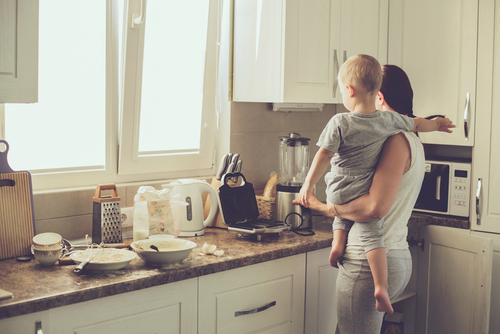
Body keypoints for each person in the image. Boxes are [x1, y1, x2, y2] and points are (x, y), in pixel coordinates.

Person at [297, 55, 455, 314]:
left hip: (364, 263)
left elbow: (373, 209)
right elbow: (419, 123)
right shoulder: (406, 134)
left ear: (379, 96)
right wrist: (438, 123)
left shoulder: (392, 139)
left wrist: (321, 203)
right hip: (395, 256)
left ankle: (339, 248)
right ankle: (357, 264)